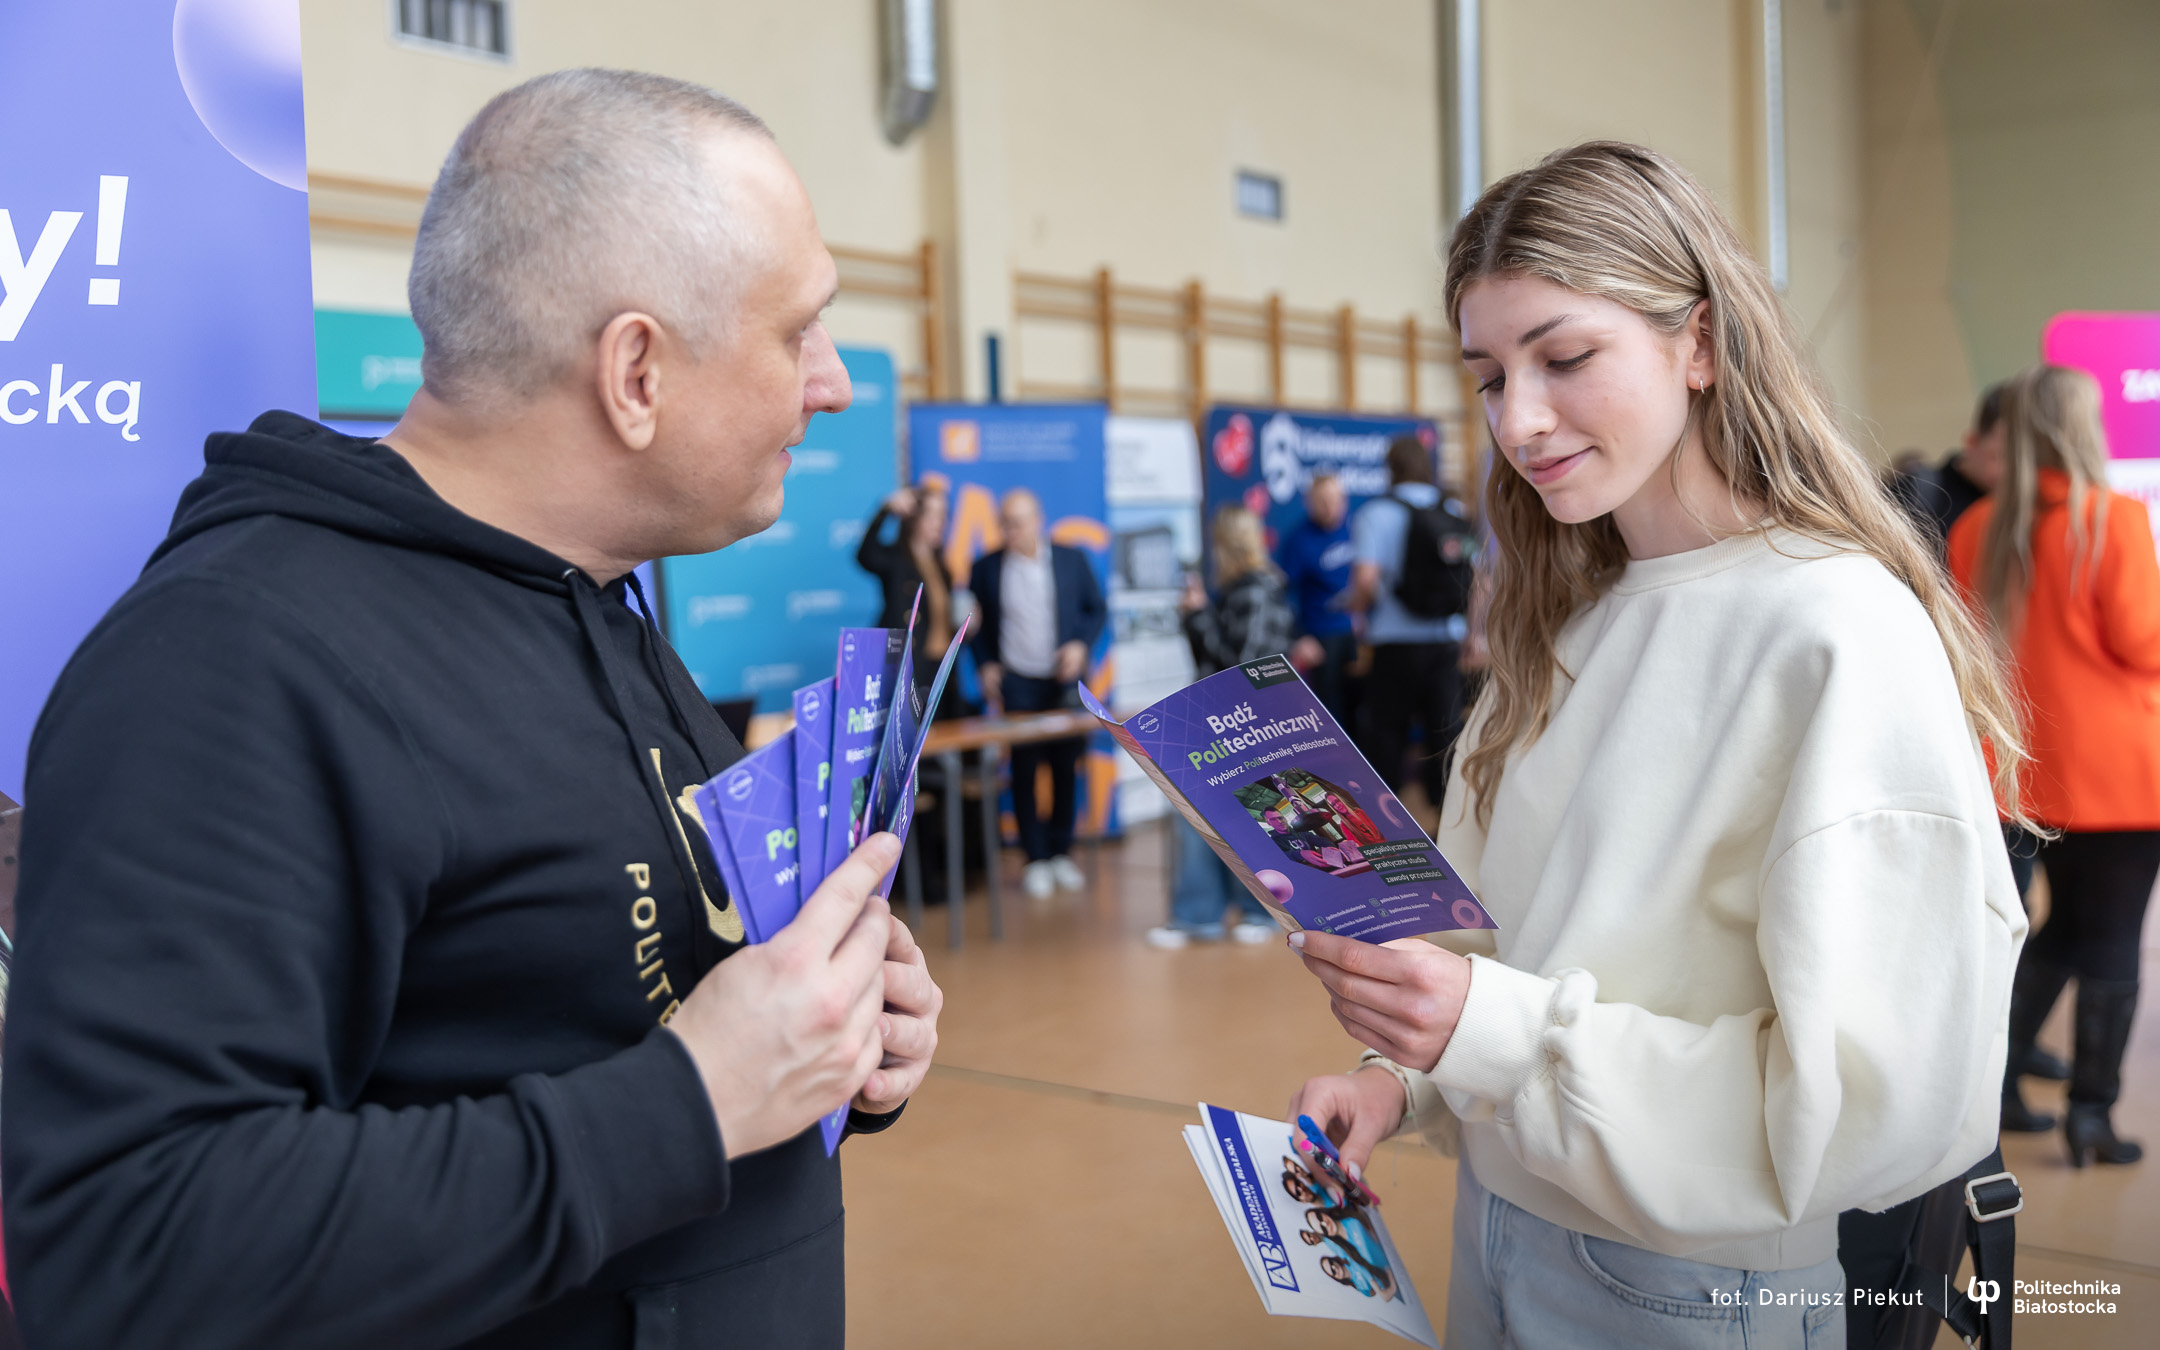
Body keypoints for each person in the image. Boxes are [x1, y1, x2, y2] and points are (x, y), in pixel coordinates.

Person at [2, 71, 945, 1350]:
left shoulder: (593, 607)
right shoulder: (234, 661)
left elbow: (579, 1009)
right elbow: (130, 1251)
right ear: (635, 372)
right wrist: (694, 1100)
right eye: (798, 331)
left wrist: (830, 1038)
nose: (830, 383)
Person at [1285, 142, 2024, 1349]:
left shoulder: (1835, 628)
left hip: (1692, 1286)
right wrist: (1399, 1077)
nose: (1519, 420)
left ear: (1702, 344)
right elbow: (1513, 945)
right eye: (1489, 377)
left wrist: (1492, 1033)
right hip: (1499, 1222)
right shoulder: (1564, 618)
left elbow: (1876, 1104)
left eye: (1566, 358)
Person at [1948, 363, 2160, 1165]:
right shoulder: (2113, 521)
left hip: (2030, 774)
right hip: (2124, 778)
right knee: (2111, 938)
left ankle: (1998, 1085)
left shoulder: (1978, 528)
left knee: (2063, 928)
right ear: (2083, 427)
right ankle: (2092, 1117)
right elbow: (2144, 644)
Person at [1145, 506, 1297, 950]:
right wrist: (1198, 616)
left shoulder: (1254, 592)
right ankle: (1223, 912)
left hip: (1239, 721)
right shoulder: (1243, 592)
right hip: (1233, 720)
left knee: (1224, 812)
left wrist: (1198, 616)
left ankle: (1223, 913)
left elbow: (1238, 668)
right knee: (1228, 814)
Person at [968, 488, 1107, 900]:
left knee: (1065, 768)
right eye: (1004, 524)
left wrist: (1080, 646)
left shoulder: (1071, 559)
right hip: (1018, 683)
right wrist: (985, 663)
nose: (1009, 532)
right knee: (1024, 770)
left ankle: (1061, 851)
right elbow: (976, 627)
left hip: (1063, 681)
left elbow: (1096, 609)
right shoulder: (986, 568)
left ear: (1038, 520)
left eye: (1017, 523)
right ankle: (1035, 857)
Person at [1348, 435, 1473, 818]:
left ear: (1390, 468)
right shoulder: (1452, 509)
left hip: (1394, 643)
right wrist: (1473, 632)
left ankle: (1386, 825)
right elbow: (1475, 577)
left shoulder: (1374, 513)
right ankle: (1449, 825)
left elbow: (1366, 579)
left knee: (1386, 737)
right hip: (1445, 638)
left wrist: (1358, 611)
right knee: (1446, 738)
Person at [855, 483, 964, 718]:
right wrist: (885, 510)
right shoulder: (896, 560)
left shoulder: (942, 568)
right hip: (911, 668)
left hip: (942, 670)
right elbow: (865, 555)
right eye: (931, 515)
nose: (939, 522)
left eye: (943, 515)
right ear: (913, 518)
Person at [1275, 473, 1358, 723]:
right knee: (1331, 713)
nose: (1330, 507)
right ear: (1309, 503)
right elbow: (1282, 596)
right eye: (1322, 501)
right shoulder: (1298, 540)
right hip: (1321, 636)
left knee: (1360, 710)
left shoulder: (1355, 530)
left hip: (1357, 634)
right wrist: (1299, 636)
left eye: (1336, 500)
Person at [1889, 383, 2007, 554]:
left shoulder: (2016, 510)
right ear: (1972, 442)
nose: (2008, 472)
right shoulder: (1918, 492)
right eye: (1998, 456)